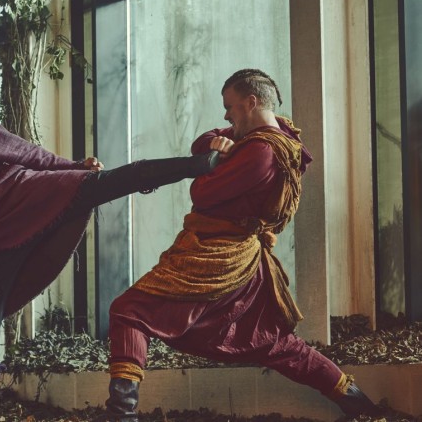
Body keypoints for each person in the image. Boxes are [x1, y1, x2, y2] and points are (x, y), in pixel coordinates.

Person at [0, 43, 219, 422]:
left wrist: (73, 166)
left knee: (103, 184)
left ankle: (195, 165)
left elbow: (20, 151)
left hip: (18, 197)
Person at [102, 69, 383, 421]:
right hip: (246, 263)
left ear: (251, 102)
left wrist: (213, 164)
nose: (225, 115)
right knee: (275, 344)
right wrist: (218, 144)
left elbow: (201, 193)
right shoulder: (282, 137)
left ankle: (121, 414)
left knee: (129, 310)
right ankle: (359, 403)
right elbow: (202, 142)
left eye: (229, 107)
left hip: (216, 258)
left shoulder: (261, 151)